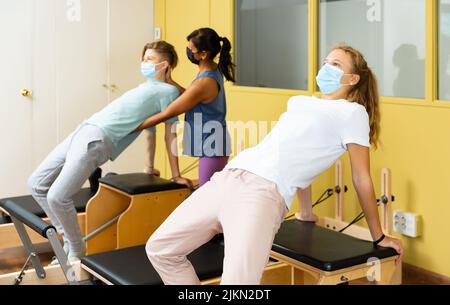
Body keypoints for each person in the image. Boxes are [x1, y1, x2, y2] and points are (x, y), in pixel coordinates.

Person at [145, 44, 404, 285]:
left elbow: (361, 177)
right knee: (160, 249)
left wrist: (378, 235)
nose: (326, 67)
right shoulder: (300, 102)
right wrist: (305, 212)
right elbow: (294, 151)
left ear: (353, 79)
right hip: (228, 177)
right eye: (326, 61)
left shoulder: (352, 113)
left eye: (335, 64)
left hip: (261, 193)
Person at [27, 40, 192, 263]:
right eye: (143, 58)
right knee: (36, 183)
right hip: (83, 129)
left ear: (165, 64)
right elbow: (149, 132)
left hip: (97, 138)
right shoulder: (147, 87)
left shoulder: (168, 91)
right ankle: (69, 240)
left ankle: (76, 250)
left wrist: (176, 174)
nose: (144, 63)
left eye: (150, 59)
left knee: (57, 197)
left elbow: (169, 133)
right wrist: (149, 165)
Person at [134, 28, 235, 187]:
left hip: (213, 146)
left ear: (203, 54)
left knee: (206, 196)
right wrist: (171, 82)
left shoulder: (204, 82)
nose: (188, 51)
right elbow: (192, 96)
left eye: (191, 49)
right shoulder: (211, 70)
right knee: (207, 192)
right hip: (214, 141)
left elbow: (168, 113)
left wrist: (135, 126)